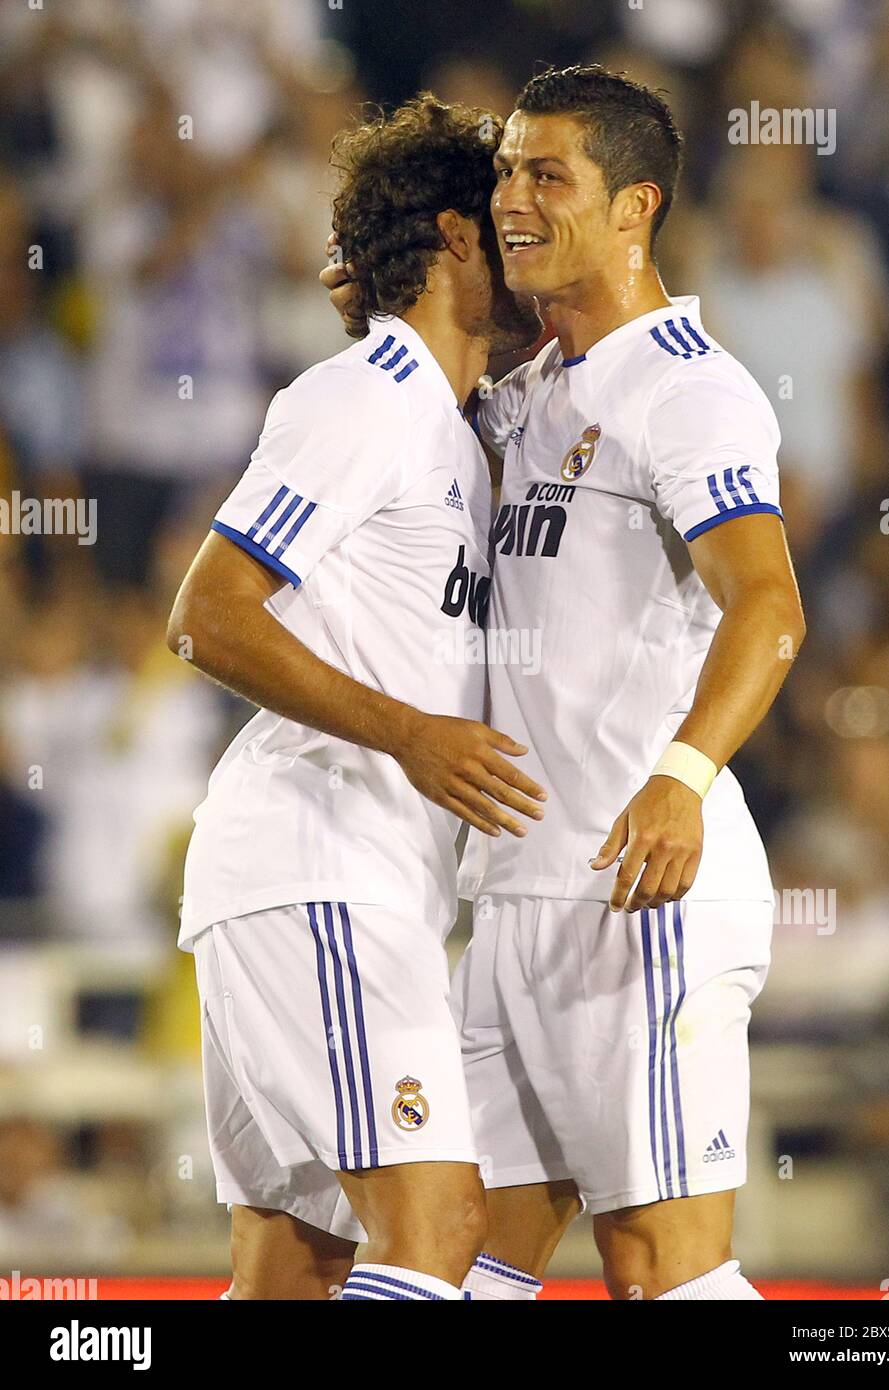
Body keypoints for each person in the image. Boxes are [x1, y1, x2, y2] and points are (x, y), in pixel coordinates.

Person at [328, 65, 805, 1301]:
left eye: (549, 174)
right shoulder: (530, 388)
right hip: (520, 892)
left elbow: (768, 605)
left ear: (634, 205)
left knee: (658, 1265)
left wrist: (682, 777)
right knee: (462, 1251)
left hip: (641, 892)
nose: (513, 200)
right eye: (504, 172)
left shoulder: (687, 389)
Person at [168, 94, 543, 1302]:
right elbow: (207, 613)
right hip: (316, 862)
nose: (528, 238)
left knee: (295, 1266)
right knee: (436, 1227)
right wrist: (411, 735)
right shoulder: (365, 395)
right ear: (451, 238)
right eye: (506, 219)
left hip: (340, 881)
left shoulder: (450, 430)